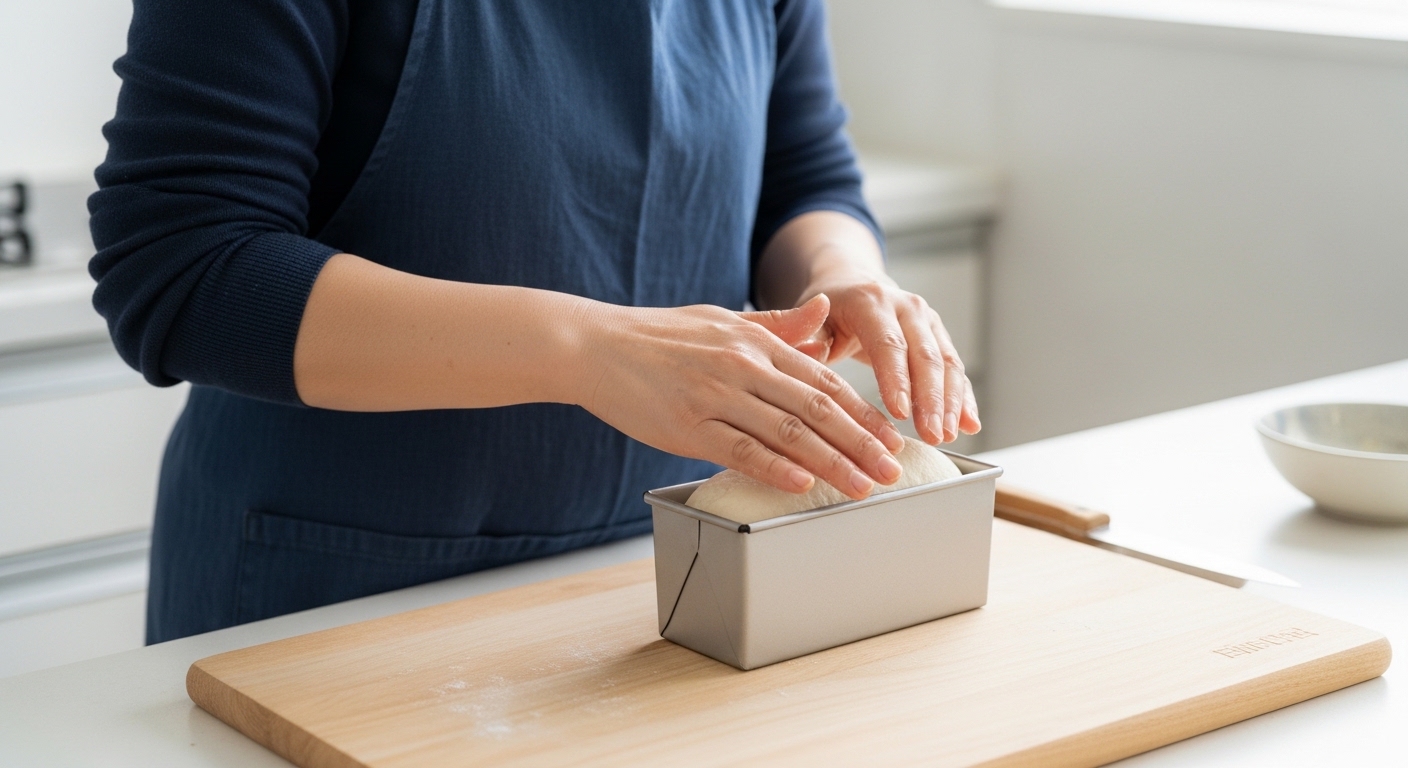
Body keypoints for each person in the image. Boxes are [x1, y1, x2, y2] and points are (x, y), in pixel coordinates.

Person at [90, 0, 981, 644]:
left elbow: (803, 174)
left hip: (667, 580)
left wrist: (843, 272)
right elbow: (184, 267)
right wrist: (588, 349)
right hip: (327, 586)